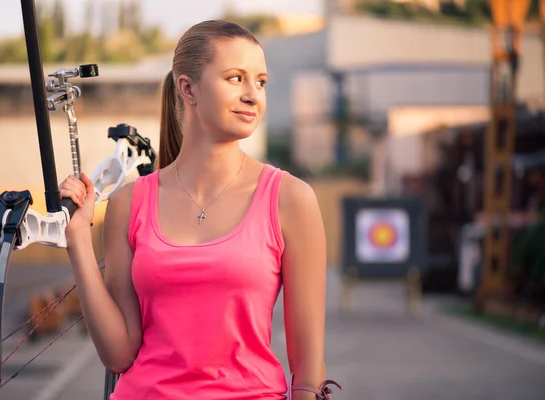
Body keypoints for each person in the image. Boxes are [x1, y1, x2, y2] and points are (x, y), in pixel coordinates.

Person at [59, 20, 339, 399]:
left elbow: (308, 372)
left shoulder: (290, 198)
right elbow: (118, 354)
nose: (253, 95)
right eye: (235, 78)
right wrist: (77, 239)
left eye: (261, 82)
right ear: (187, 88)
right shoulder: (128, 202)